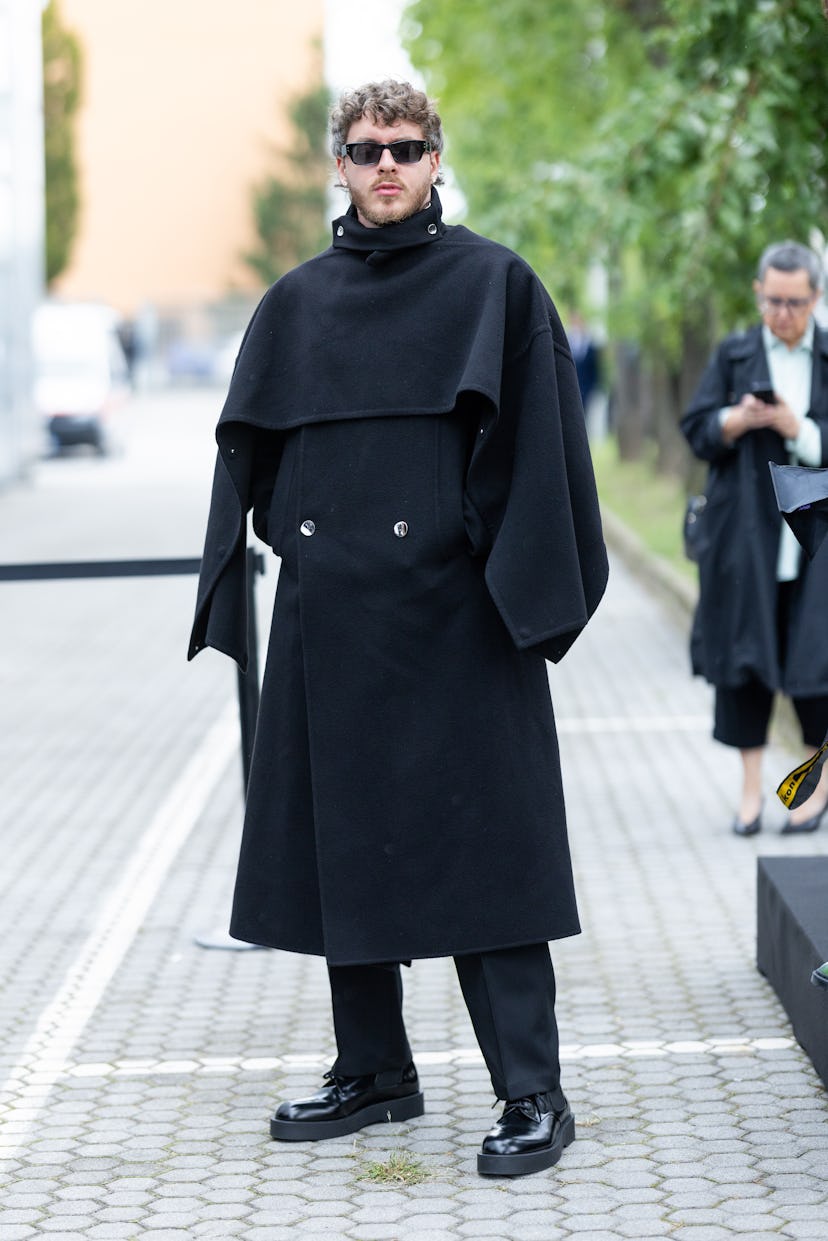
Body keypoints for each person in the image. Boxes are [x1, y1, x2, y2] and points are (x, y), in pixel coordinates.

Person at [189, 80, 608, 1178]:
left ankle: (533, 1090)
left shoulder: (494, 287)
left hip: (462, 619)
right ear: (339, 162)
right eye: (367, 148)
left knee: (491, 855)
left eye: (407, 148)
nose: (387, 165)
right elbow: (255, 458)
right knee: (346, 845)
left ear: (435, 159)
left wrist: (494, 577)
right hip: (336, 619)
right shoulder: (296, 304)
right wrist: (311, 543)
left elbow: (545, 452)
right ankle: (375, 1067)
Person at [680, 240, 828, 838]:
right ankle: (748, 794)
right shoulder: (736, 353)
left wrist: (804, 430)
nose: (783, 314)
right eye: (773, 301)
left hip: (814, 545)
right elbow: (696, 427)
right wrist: (733, 421)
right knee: (744, 668)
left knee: (817, 671)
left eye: (795, 303)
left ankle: (809, 794)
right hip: (747, 540)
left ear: (815, 298)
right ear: (758, 294)